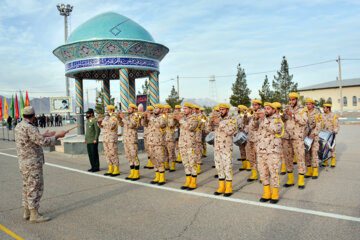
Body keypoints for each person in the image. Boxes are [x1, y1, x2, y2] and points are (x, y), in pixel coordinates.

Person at [15, 106, 67, 223]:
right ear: (34, 116)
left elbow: (31, 139)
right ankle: (34, 215)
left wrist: (45, 134)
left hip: (23, 162)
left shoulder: (19, 126)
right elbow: (43, 142)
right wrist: (58, 136)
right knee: (35, 186)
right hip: (32, 162)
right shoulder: (30, 128)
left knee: (26, 186)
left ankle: (27, 211)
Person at [250, 102, 283, 204]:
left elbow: (275, 130)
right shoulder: (261, 120)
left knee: (274, 173)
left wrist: (264, 119)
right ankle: (267, 193)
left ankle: (275, 193)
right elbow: (252, 128)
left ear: (274, 110)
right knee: (263, 173)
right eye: (265, 108)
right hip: (261, 150)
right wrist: (255, 119)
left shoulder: (277, 119)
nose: (266, 110)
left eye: (268, 109)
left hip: (272, 151)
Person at [206, 103, 237, 197]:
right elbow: (207, 130)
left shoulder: (231, 120)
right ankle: (221, 187)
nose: (221, 111)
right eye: (220, 109)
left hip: (226, 148)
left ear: (227, 110)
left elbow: (230, 131)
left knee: (227, 167)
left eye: (223, 109)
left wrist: (220, 123)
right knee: (219, 167)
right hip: (217, 147)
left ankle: (229, 187)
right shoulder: (217, 119)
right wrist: (210, 121)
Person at [283, 92, 308, 189]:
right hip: (287, 137)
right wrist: (282, 114)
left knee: (300, 158)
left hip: (297, 138)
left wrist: (292, 115)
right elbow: (282, 120)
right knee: (288, 158)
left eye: (293, 99)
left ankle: (301, 180)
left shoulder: (303, 110)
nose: (291, 101)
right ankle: (290, 179)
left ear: (297, 100)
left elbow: (303, 121)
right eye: (290, 99)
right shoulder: (287, 109)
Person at [174, 103, 199, 190]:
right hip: (182, 143)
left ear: (191, 109)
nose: (183, 110)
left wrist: (180, 119)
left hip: (190, 144)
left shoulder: (194, 118)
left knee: (192, 163)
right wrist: (175, 118)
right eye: (183, 108)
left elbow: (190, 127)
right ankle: (188, 180)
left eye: (185, 109)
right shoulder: (183, 118)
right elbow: (173, 126)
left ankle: (193, 182)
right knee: (185, 163)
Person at [142, 104, 167, 185]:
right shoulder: (152, 118)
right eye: (155, 108)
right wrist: (144, 118)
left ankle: (162, 177)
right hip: (150, 141)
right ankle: (157, 176)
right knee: (153, 160)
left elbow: (160, 124)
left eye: (157, 108)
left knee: (160, 159)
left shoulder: (163, 117)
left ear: (161, 110)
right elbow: (144, 125)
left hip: (158, 142)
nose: (155, 110)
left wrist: (151, 117)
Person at [118, 104, 141, 180]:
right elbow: (122, 124)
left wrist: (123, 117)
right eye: (128, 109)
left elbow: (131, 125)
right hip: (126, 139)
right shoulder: (127, 117)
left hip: (132, 139)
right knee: (129, 156)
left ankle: (137, 173)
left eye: (130, 109)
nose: (128, 110)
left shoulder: (136, 116)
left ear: (134, 109)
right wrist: (119, 118)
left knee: (134, 156)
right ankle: (132, 172)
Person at [98, 105, 120, 176]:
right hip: (105, 138)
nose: (106, 111)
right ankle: (110, 168)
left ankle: (116, 168)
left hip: (111, 139)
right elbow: (101, 126)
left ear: (111, 110)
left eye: (108, 110)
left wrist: (104, 122)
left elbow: (111, 126)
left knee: (113, 153)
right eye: (106, 110)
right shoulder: (106, 118)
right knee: (107, 154)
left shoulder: (114, 118)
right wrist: (99, 122)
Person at [244, 99, 263, 181]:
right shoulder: (251, 114)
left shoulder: (262, 114)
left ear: (259, 106)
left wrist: (257, 116)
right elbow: (245, 124)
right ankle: (254, 174)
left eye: (256, 105)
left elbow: (257, 125)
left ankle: (263, 175)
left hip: (258, 139)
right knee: (251, 157)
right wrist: (245, 116)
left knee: (261, 159)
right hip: (250, 139)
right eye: (253, 105)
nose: (254, 106)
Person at [304, 99, 322, 179]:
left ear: (313, 105)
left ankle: (315, 171)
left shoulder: (317, 113)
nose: (308, 106)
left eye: (309, 104)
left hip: (314, 136)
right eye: (307, 104)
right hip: (306, 136)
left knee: (314, 153)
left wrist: (313, 133)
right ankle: (309, 171)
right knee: (307, 154)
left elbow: (319, 125)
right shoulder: (304, 113)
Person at [163, 105, 179, 172]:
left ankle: (173, 166)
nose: (165, 110)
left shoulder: (172, 117)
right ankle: (166, 165)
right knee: (165, 153)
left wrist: (169, 117)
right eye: (164, 109)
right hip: (163, 138)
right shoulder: (162, 116)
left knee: (171, 152)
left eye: (167, 109)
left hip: (170, 138)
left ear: (169, 110)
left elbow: (171, 124)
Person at [192, 105, 205, 174]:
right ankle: (194, 166)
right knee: (193, 152)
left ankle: (199, 167)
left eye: (194, 109)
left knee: (198, 151)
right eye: (193, 109)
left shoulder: (202, 116)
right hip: (191, 137)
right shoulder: (192, 116)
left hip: (198, 136)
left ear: (197, 110)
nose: (193, 111)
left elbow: (203, 124)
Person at [237, 105, 249, 171]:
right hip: (239, 134)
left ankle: (249, 165)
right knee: (242, 150)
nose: (238, 109)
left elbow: (249, 124)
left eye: (239, 108)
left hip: (246, 134)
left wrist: (245, 130)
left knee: (247, 150)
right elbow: (236, 125)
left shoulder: (248, 115)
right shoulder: (238, 116)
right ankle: (244, 165)